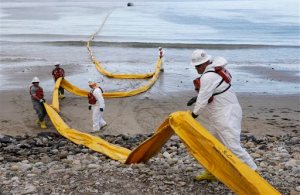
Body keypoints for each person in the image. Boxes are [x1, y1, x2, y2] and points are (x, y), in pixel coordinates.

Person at [188, 49, 257, 181]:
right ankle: (212, 171)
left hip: (226, 114)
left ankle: (255, 176)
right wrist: (196, 98)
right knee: (212, 144)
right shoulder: (214, 70)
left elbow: (203, 100)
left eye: (197, 66)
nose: (196, 69)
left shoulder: (208, 76)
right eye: (195, 66)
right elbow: (214, 91)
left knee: (233, 146)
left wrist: (193, 115)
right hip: (222, 112)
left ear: (205, 63)